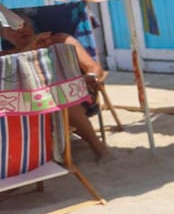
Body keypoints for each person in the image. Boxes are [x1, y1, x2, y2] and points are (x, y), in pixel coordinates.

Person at [0, 15, 110, 161]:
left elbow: (95, 70)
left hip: (76, 94)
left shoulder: (61, 40)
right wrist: (28, 50)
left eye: (24, 24)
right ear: (4, 36)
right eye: (12, 28)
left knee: (61, 98)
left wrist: (82, 80)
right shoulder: (6, 57)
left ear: (31, 26)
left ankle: (100, 150)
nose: (20, 29)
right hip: (29, 104)